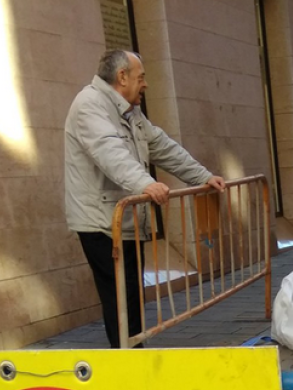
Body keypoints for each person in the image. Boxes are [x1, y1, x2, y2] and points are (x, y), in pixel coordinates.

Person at [65, 50, 226, 348]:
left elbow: (163, 146)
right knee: (119, 298)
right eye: (141, 77)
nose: (146, 84)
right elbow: (109, 152)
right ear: (121, 77)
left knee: (131, 294)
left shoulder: (129, 112)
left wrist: (201, 176)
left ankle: (133, 353)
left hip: (124, 218)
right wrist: (145, 183)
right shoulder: (90, 105)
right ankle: (128, 358)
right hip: (100, 222)